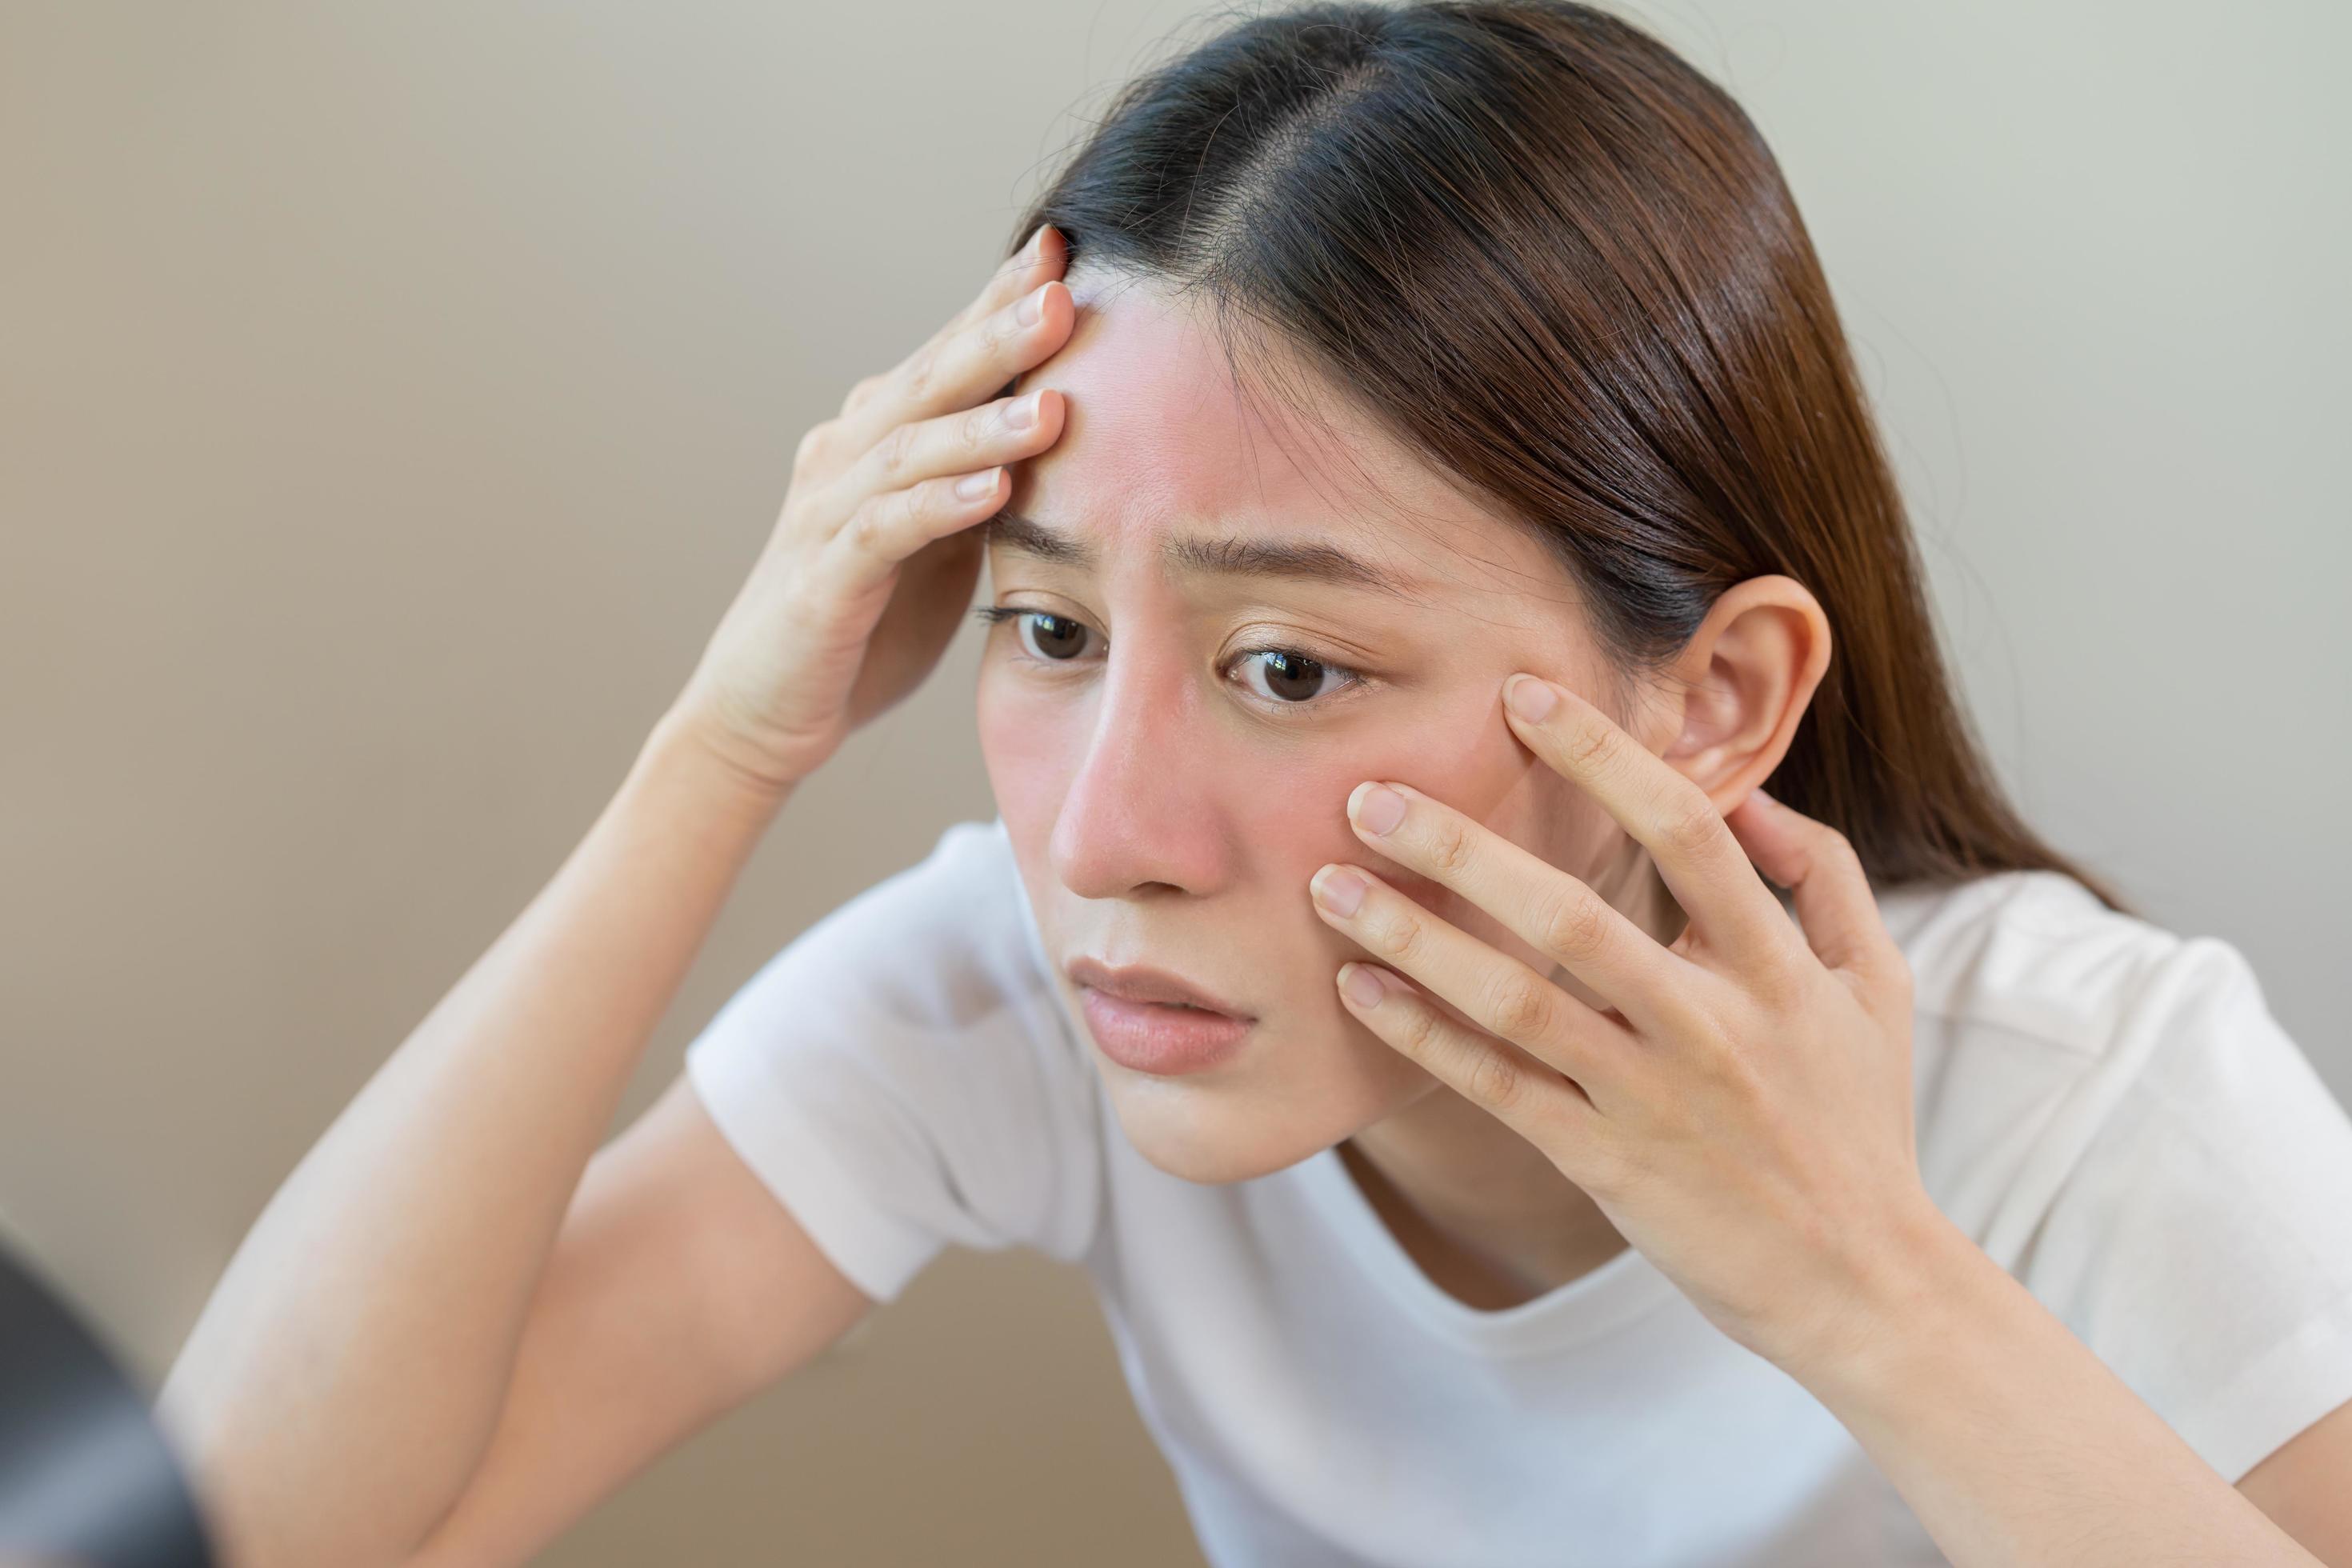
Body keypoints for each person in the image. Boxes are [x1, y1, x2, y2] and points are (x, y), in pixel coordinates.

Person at [156, 2, 2352, 1566]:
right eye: (1045, 630)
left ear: (1713, 698)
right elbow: (251, 1535)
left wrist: (1863, 1289)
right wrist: (719, 752)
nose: (1106, 836)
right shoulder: (1043, 990)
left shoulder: (2093, 1102)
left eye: (1288, 666)